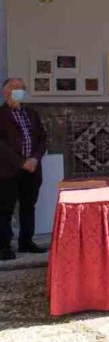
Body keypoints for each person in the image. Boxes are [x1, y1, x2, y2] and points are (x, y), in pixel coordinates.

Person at [0, 78, 47, 260]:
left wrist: (35, 158)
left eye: (21, 87)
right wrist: (21, 162)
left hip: (32, 169)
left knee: (29, 206)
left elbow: (42, 138)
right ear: (5, 91)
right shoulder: (1, 114)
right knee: (5, 209)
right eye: (13, 87)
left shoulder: (32, 113)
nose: (18, 90)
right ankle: (4, 246)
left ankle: (26, 242)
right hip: (8, 171)